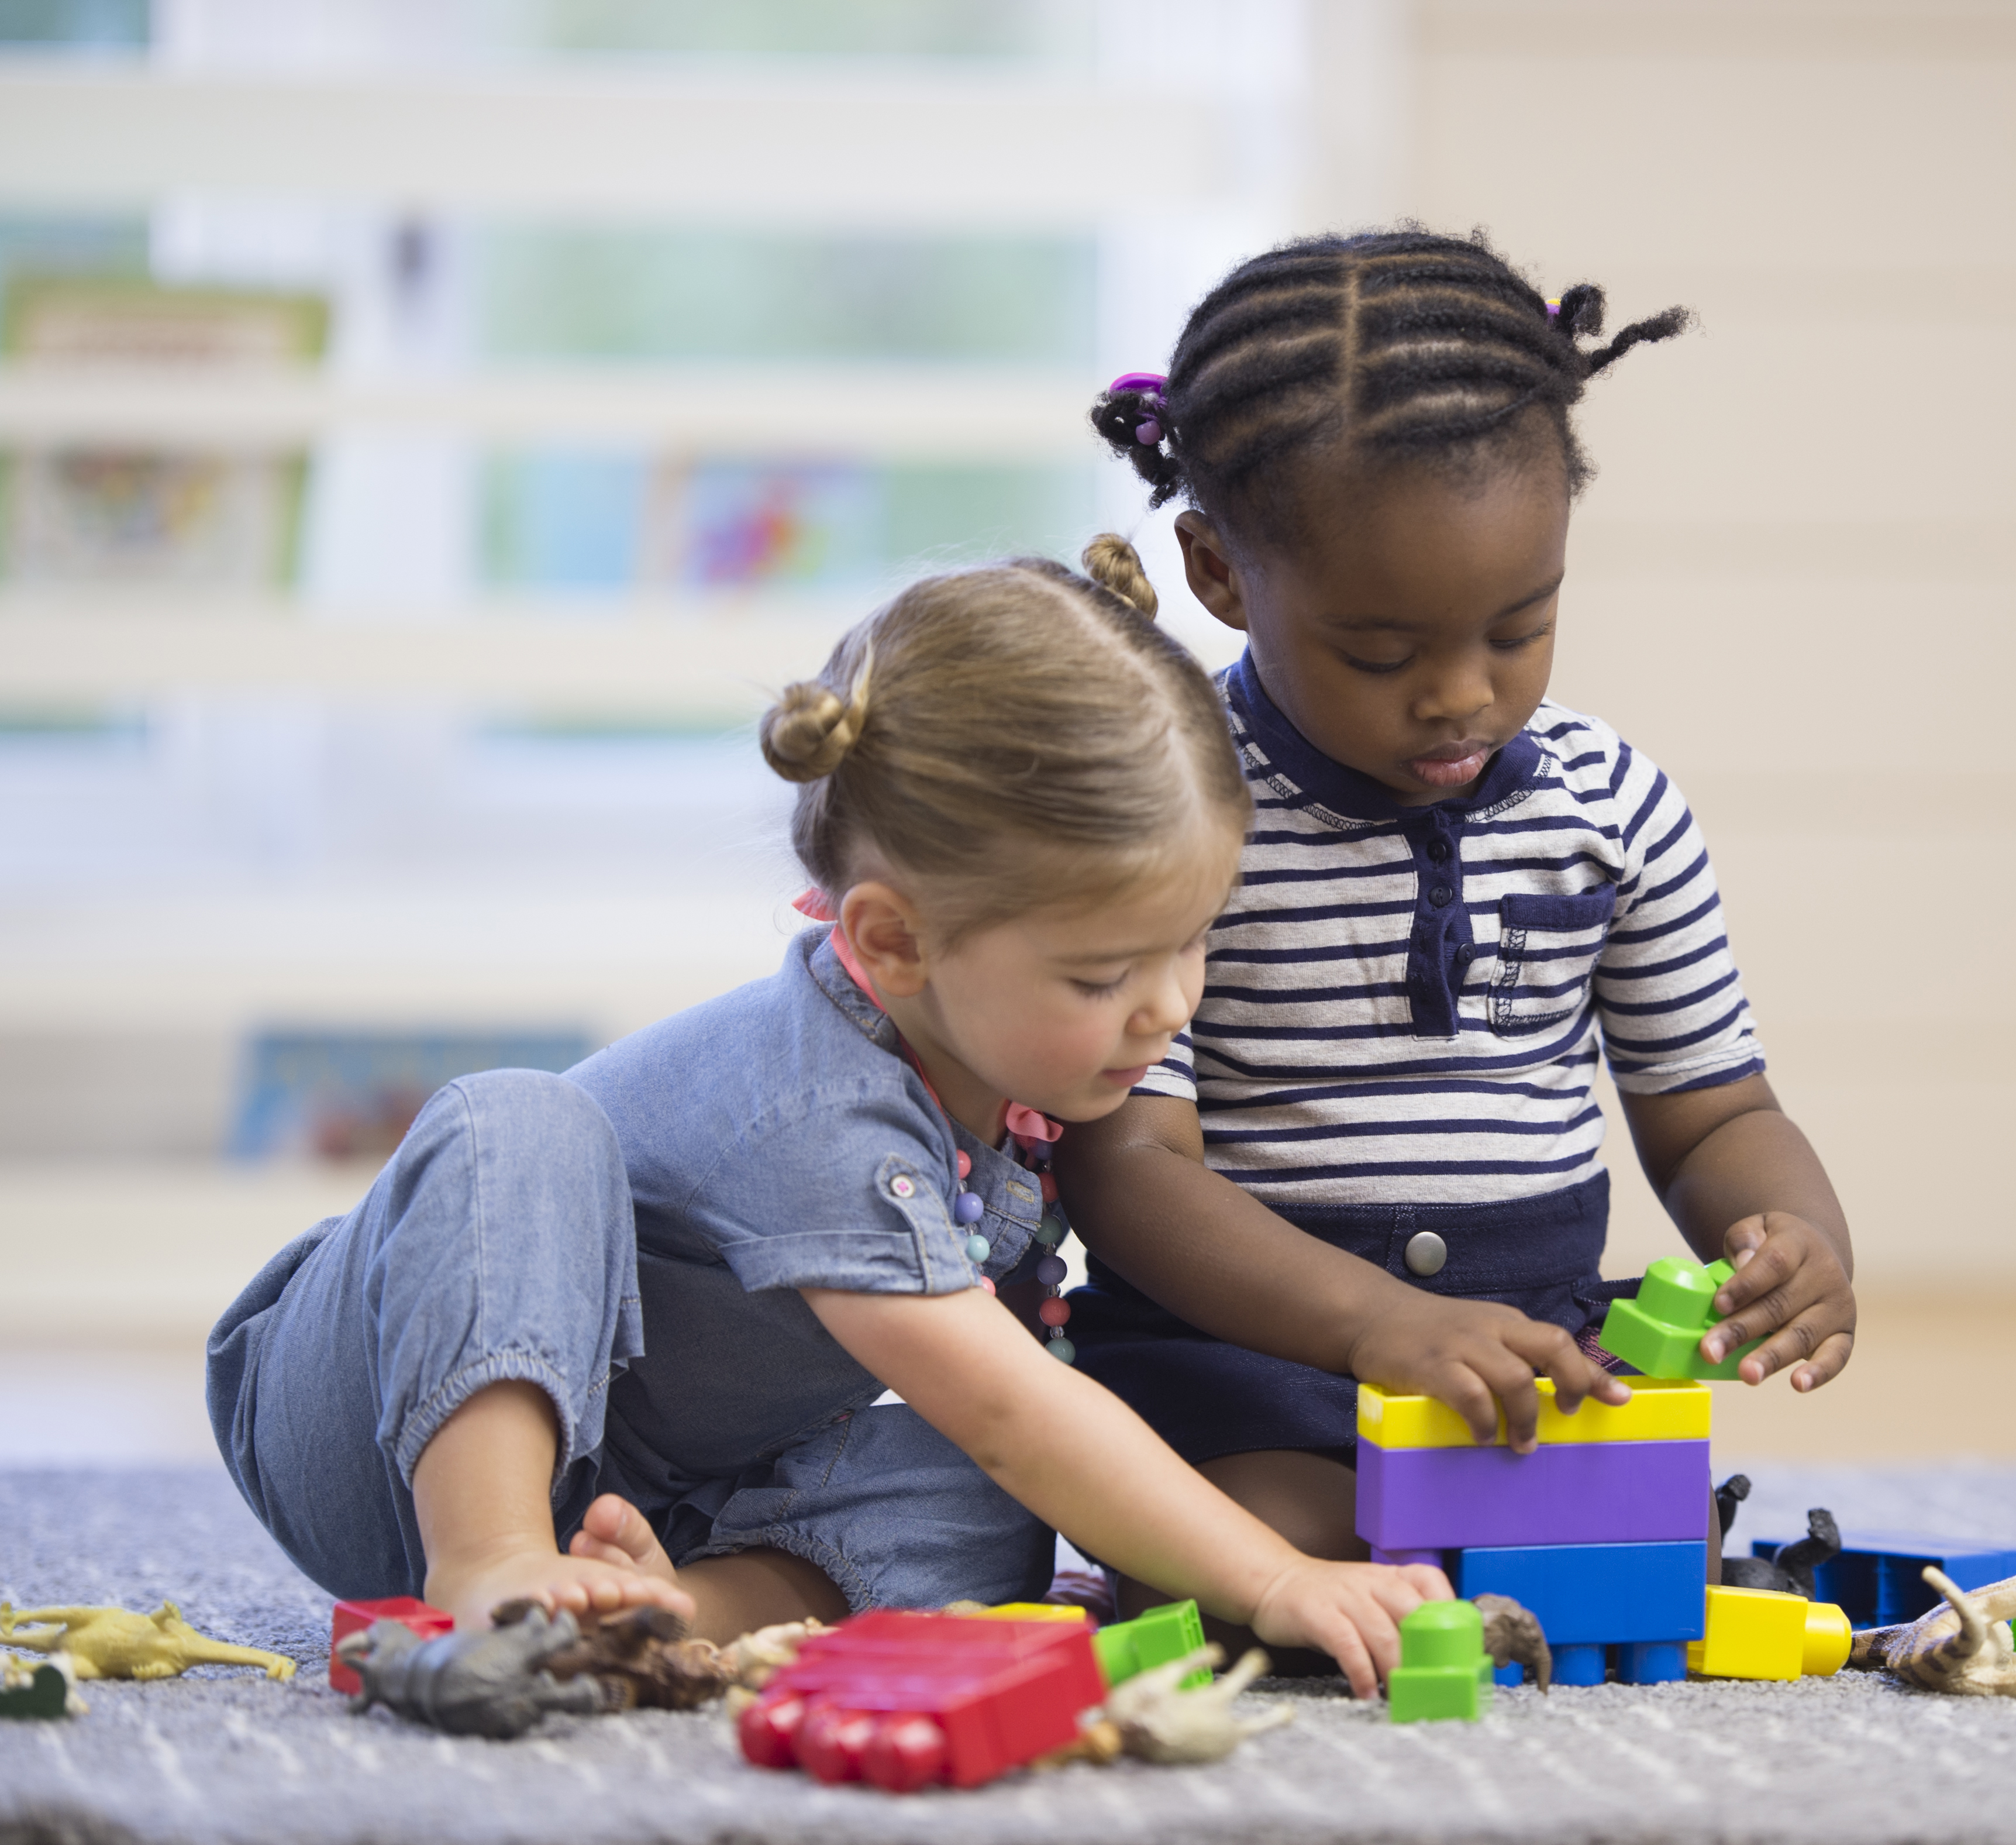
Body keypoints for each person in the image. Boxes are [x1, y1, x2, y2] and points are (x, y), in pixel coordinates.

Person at [204, 539, 1447, 1695]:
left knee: (985, 1505)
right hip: (370, 1419)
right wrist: (1273, 1574)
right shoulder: (823, 1106)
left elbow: (1004, 1419)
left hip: (655, 1480)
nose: (1166, 1007)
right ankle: (491, 1563)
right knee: (517, 1122)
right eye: (1100, 976)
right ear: (892, 940)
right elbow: (1019, 1404)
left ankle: (658, 1613)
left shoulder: (1008, 1075)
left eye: (1191, 944)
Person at [1059, 229, 1859, 1617]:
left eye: (1519, 626)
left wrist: (1792, 1232)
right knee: (1264, 1549)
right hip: (1245, 1367)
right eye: (1380, 652)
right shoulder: (1174, 819)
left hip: (1520, 1368)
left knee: (1635, 1569)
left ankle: (1480, 1547)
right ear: (1220, 573)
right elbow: (1127, 1170)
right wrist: (1375, 1325)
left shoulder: (1612, 807)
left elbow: (1711, 1112)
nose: (1460, 696)